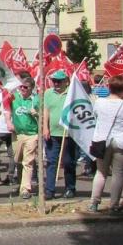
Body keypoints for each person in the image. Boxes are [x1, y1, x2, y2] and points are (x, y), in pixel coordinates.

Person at [88, 75, 123, 212]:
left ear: (109, 88)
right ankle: (113, 205)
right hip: (121, 142)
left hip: (102, 141)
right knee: (118, 175)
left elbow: (96, 116)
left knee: (101, 173)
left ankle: (94, 202)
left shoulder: (99, 102)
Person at [41, 70, 77, 199]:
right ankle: (50, 190)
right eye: (53, 80)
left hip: (68, 133)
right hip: (52, 133)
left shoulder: (72, 93)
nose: (55, 83)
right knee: (51, 162)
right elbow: (46, 110)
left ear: (65, 81)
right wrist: (45, 127)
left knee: (68, 162)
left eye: (58, 81)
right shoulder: (48, 93)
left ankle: (70, 188)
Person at [11, 75, 40, 199]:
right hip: (17, 134)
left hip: (32, 134)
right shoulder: (14, 98)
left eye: (25, 87)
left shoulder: (36, 100)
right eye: (21, 86)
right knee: (17, 160)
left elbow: (44, 115)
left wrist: (37, 113)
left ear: (31, 88)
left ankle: (25, 189)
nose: (22, 89)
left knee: (28, 162)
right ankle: (20, 182)